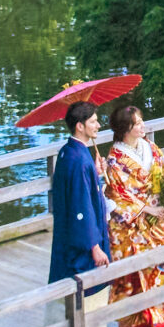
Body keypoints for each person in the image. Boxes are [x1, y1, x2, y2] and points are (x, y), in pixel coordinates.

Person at [102, 103, 164, 327]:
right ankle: (134, 325)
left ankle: (160, 318)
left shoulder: (151, 147)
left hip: (157, 220)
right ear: (125, 129)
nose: (142, 126)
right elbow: (118, 195)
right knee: (134, 274)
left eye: (141, 121)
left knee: (158, 267)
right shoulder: (114, 159)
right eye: (137, 124)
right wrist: (148, 209)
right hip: (133, 224)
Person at [46, 102, 112, 285]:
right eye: (93, 121)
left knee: (65, 273)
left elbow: (78, 187)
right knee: (84, 282)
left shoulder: (68, 151)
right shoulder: (80, 160)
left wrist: (94, 172)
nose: (98, 125)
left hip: (66, 229)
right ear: (80, 126)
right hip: (80, 236)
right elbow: (81, 204)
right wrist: (95, 247)